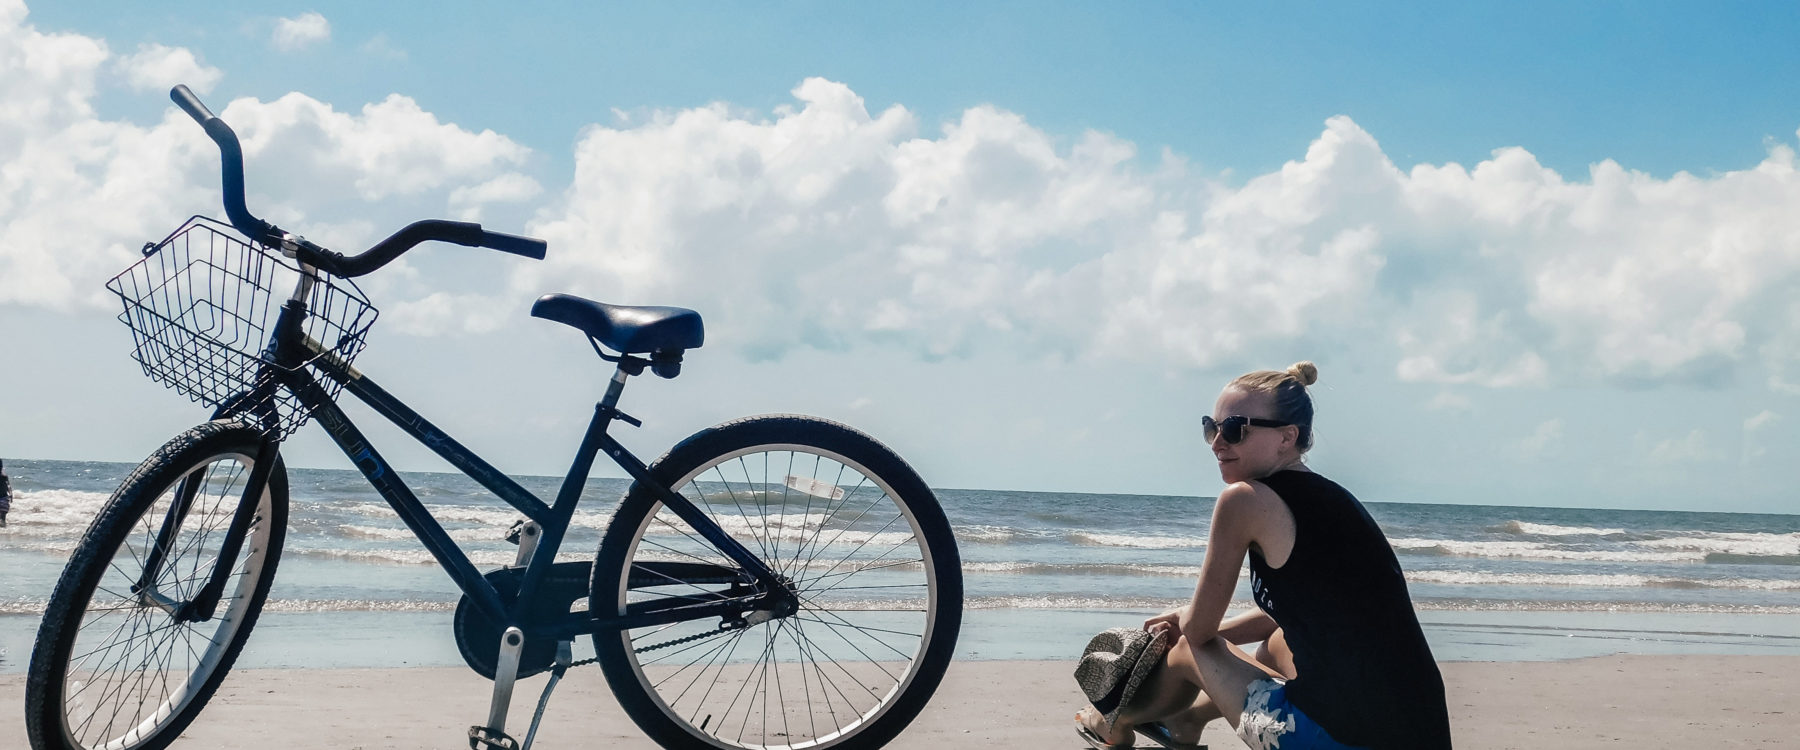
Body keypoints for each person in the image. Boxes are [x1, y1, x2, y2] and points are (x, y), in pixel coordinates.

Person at [1077, 362, 1451, 749]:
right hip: (1420, 734)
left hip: (1337, 740)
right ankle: (1186, 721)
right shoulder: (1335, 500)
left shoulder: (1244, 500)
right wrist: (1200, 625)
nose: (1219, 442)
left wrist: (1187, 625)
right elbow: (1308, 610)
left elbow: (1199, 633)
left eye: (1236, 429)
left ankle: (1114, 723)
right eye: (1212, 427)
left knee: (1191, 649)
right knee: (1276, 641)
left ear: (1286, 437)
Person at [0, 458, 12, 528]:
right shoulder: (4, 476)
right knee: (3, 519)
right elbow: (9, 486)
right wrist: (11, 495)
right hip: (4, 500)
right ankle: (3, 531)